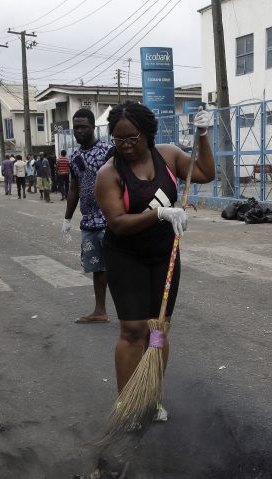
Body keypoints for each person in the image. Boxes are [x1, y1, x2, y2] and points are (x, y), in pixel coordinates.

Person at [95, 101, 215, 420]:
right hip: (126, 255)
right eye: (119, 140)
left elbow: (204, 172)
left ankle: (153, 396)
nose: (126, 146)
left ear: (147, 134)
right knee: (133, 329)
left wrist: (203, 134)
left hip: (164, 254)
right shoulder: (109, 174)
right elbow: (118, 223)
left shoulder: (169, 155)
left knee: (157, 328)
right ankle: (127, 403)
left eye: (132, 138)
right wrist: (159, 212)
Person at [64, 108, 115, 324]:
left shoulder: (108, 151)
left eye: (83, 127)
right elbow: (74, 188)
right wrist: (67, 218)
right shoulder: (74, 157)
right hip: (89, 222)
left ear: (93, 127)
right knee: (97, 268)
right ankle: (100, 311)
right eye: (76, 128)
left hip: (111, 219)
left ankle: (130, 311)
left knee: (118, 267)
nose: (79, 131)